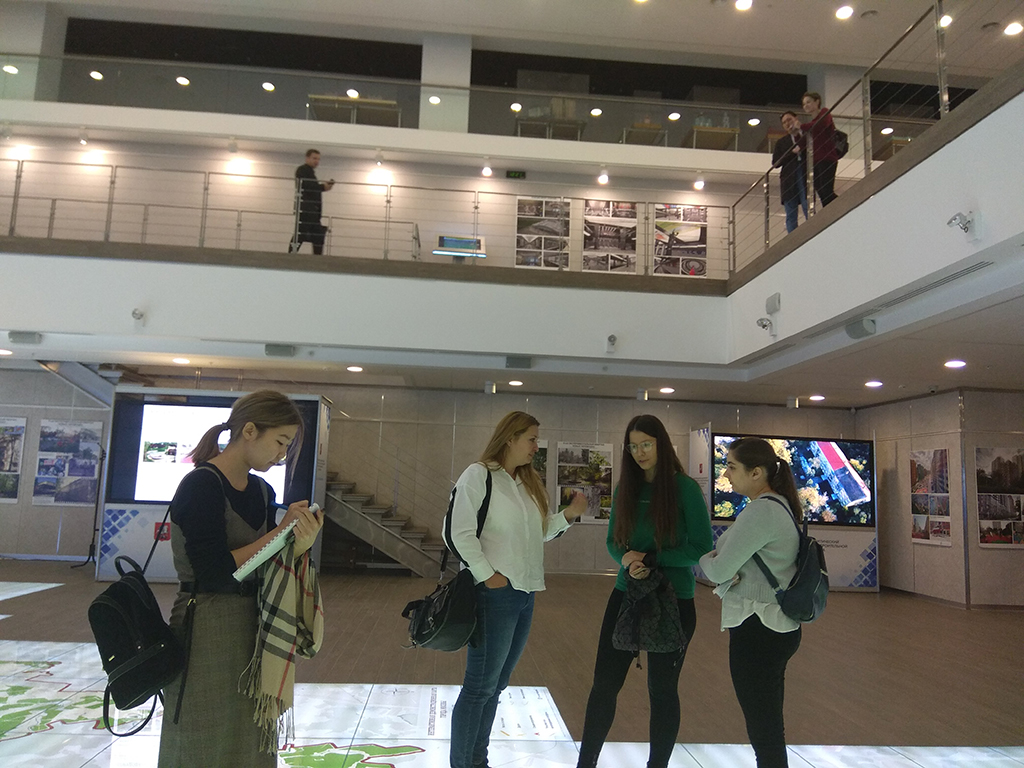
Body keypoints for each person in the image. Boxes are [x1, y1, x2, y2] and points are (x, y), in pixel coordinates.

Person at [158, 389, 323, 767]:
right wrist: (280, 532)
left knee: (252, 735)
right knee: (202, 734)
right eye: (280, 442)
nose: (282, 454)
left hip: (255, 624)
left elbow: (268, 561)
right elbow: (215, 571)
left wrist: (299, 543)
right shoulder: (201, 484)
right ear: (249, 431)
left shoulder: (262, 490)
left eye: (287, 446)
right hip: (205, 623)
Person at [446, 411, 585, 768]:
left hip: (524, 594)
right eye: (532, 439)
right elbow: (457, 533)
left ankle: (477, 761)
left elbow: (536, 533)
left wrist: (568, 516)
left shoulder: (525, 483)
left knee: (495, 685)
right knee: (479, 686)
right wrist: (488, 575)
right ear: (510, 438)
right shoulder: (479, 475)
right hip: (493, 595)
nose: (536, 447)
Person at [576, 414, 713, 768]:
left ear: (661, 444)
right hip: (627, 596)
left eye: (646, 444)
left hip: (673, 600)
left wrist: (652, 559)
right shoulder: (626, 487)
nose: (640, 452)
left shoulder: (684, 488)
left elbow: (701, 546)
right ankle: (585, 762)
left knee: (662, 689)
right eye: (633, 446)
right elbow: (613, 541)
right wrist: (626, 559)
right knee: (604, 684)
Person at [698, 437, 803, 768]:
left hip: (758, 629)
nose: (726, 474)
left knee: (764, 729)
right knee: (768, 724)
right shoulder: (779, 505)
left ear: (756, 472)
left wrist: (705, 558)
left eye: (731, 467)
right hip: (774, 627)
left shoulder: (761, 512)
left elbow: (719, 569)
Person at [289, 148, 334, 255]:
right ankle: (291, 255)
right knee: (302, 234)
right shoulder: (303, 170)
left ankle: (293, 255)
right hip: (307, 210)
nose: (316, 161)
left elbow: (311, 187)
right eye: (314, 158)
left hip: (311, 211)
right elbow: (308, 186)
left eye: (318, 159)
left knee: (314, 235)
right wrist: (322, 187)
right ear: (307, 158)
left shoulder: (307, 172)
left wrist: (322, 187)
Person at [800, 92, 839, 208]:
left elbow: (820, 125)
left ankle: (841, 207)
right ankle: (832, 211)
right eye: (804, 104)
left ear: (817, 101)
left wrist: (801, 126)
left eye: (808, 102)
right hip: (816, 160)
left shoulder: (824, 113)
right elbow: (803, 141)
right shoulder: (811, 124)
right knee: (821, 191)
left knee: (826, 189)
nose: (806, 106)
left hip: (827, 157)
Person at [772, 111, 809, 234]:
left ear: (796, 118)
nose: (787, 124)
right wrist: (791, 153)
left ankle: (813, 232)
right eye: (784, 123)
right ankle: (792, 238)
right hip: (788, 178)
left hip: (804, 172)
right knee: (790, 211)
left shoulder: (806, 135)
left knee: (807, 204)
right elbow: (776, 162)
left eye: (789, 120)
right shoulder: (782, 142)